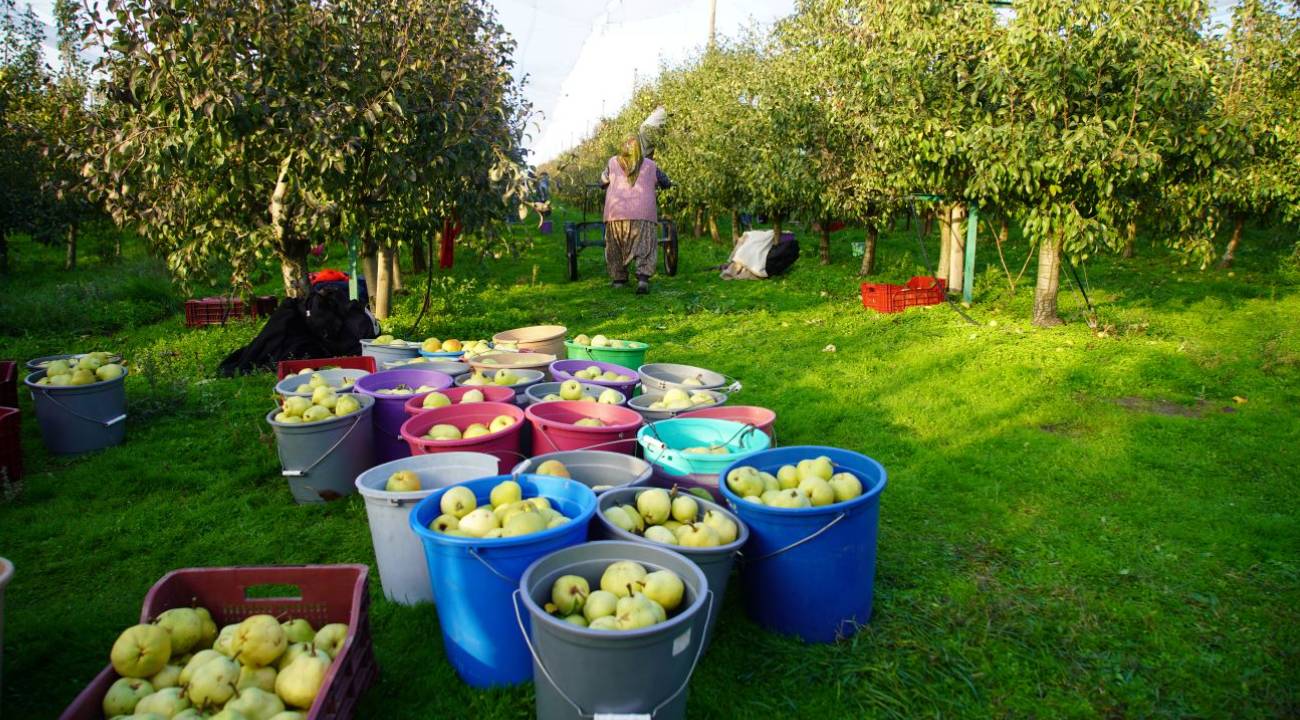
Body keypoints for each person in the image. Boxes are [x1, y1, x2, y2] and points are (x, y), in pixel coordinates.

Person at [601, 135, 671, 294]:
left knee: (615, 248)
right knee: (645, 247)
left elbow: (602, 181)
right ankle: (642, 282)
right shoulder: (650, 165)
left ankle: (618, 281)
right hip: (643, 213)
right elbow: (666, 182)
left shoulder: (612, 162)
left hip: (616, 212)